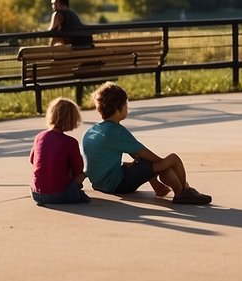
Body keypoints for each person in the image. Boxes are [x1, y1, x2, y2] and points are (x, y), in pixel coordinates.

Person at [82, 81, 211, 205]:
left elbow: (136, 155)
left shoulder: (93, 130)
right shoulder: (117, 132)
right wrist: (164, 166)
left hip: (99, 183)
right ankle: (182, 192)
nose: (127, 108)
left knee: (139, 163)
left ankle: (160, 188)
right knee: (172, 159)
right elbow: (147, 155)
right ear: (118, 109)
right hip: (117, 185)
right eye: (126, 105)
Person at [29, 97, 90, 205]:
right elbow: (78, 170)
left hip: (36, 194)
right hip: (58, 195)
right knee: (83, 174)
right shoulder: (70, 142)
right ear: (72, 119)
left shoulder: (39, 137)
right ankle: (74, 194)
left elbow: (32, 160)